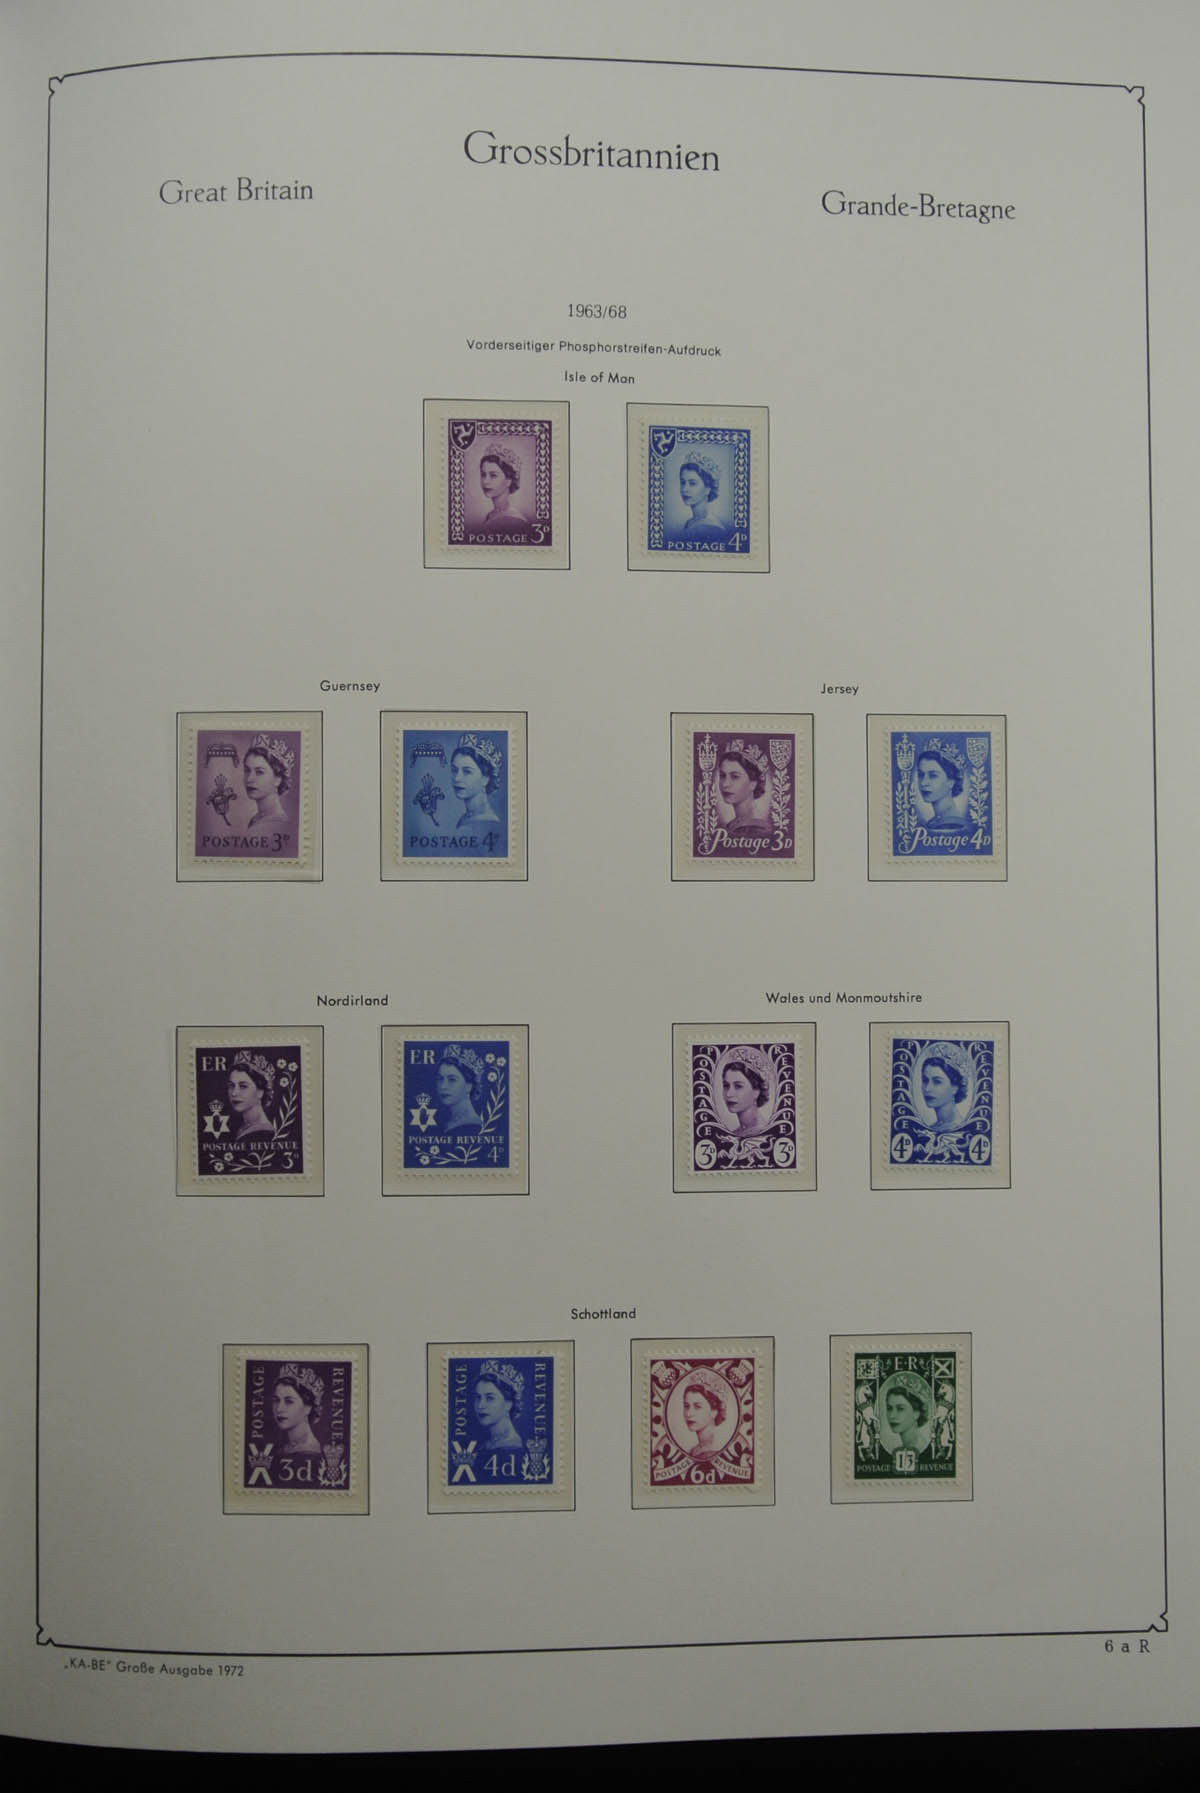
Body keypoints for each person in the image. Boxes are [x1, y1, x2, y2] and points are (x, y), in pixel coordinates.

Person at [717, 741, 771, 839]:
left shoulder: (756, 828)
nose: (725, 784)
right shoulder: (733, 824)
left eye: (735, 776)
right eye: (722, 776)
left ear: (753, 783)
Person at [472, 445, 529, 536]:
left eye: (493, 475)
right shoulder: (492, 514)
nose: (485, 481)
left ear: (508, 481)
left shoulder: (512, 519)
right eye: (483, 475)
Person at [671, 451, 729, 541]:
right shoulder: (690, 522)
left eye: (692, 483)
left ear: (708, 489)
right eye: (683, 482)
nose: (684, 489)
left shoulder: (710, 527)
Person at [915, 740, 969, 834]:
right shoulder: (934, 821)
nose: (923, 783)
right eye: (921, 775)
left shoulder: (953, 823)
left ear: (951, 781)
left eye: (933, 776)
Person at [450, 733, 503, 830]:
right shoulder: (467, 817)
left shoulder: (487, 821)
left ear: (485, 779)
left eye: (467, 771)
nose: (457, 778)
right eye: (454, 770)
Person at [242, 734, 293, 834]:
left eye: (259, 772)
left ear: (278, 779)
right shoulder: (256, 819)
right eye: (247, 770)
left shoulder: (276, 825)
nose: (249, 779)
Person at [919, 1042, 971, 1132]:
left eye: (937, 1082)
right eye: (925, 1080)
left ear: (955, 1087)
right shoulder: (933, 1127)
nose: (927, 1088)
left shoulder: (957, 1126)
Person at [720, 1050, 772, 1138]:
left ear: (756, 1091)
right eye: (726, 1085)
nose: (729, 1094)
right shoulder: (736, 1133)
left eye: (738, 1086)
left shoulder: (761, 1131)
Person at [273, 1365, 323, 1455]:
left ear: (308, 1407)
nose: (279, 1409)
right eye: (276, 1400)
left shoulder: (311, 1451)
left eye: (289, 1401)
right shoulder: (284, 1449)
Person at [436, 1044, 486, 1134]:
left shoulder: (471, 1125)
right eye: (440, 1079)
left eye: (452, 1080)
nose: (443, 1086)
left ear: (469, 1086)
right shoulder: (449, 1122)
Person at [472, 1363, 524, 1449]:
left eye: (490, 1398)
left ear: (508, 1404)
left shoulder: (514, 1446)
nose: (480, 1405)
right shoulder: (486, 1445)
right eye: (478, 1397)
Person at [881, 1374, 933, 1459]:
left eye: (900, 1409)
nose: (892, 1416)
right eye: (889, 1408)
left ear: (916, 1413)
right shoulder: (902, 1446)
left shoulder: (921, 1446)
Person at [226, 1051, 276, 1139]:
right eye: (231, 1085)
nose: (234, 1093)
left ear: (260, 1092)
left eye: (243, 1086)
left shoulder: (262, 1132)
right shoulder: (244, 1128)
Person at [680, 1379, 726, 1458]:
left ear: (714, 1411)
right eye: (686, 1406)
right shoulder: (693, 1451)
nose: (689, 1414)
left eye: (697, 1407)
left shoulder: (719, 1448)